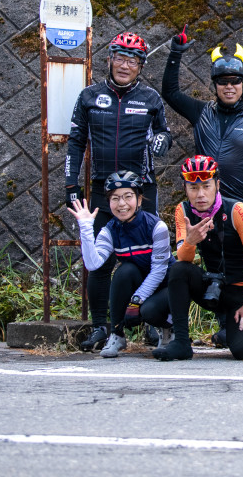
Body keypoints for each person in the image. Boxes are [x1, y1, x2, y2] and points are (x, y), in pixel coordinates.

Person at [162, 30, 243, 352]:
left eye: (235, 81)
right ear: (215, 85)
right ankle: (224, 325)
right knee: (215, 266)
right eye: (223, 81)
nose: (229, 86)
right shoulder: (200, 113)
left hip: (242, 208)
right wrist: (176, 52)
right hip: (207, 207)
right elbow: (170, 92)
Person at [66, 31, 171, 352]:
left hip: (142, 190)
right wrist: (71, 184)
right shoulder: (88, 96)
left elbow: (165, 136)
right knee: (98, 263)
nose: (126, 65)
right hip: (102, 190)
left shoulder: (151, 99)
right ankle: (102, 326)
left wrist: (160, 142)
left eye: (133, 60)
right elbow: (75, 142)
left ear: (141, 66)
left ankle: (151, 324)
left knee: (148, 260)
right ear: (109, 59)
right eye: (120, 58)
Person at [152, 155, 243, 361]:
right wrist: (191, 241)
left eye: (206, 186)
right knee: (179, 269)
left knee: (241, 351)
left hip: (242, 291)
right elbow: (183, 258)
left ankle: (232, 327)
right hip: (212, 286)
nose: (201, 194)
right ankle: (181, 343)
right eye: (193, 188)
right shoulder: (183, 211)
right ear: (185, 188)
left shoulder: (237, 210)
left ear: (217, 185)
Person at [68, 171, 172, 356]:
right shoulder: (110, 230)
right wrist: (85, 227)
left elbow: (158, 271)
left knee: (154, 303)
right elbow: (93, 264)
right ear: (108, 203)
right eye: (115, 198)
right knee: (124, 271)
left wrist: (136, 301)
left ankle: (168, 331)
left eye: (128, 197)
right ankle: (117, 335)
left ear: (139, 200)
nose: (122, 204)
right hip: (139, 282)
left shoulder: (157, 227)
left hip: (164, 285)